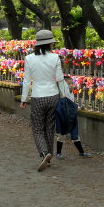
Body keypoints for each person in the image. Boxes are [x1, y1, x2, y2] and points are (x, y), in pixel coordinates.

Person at [20, 29, 66, 172]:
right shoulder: (55, 58)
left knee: (37, 127)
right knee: (49, 127)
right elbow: (60, 79)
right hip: (53, 96)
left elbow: (27, 81)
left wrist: (24, 99)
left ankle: (44, 153)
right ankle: (49, 155)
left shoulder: (29, 58)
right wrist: (66, 97)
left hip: (38, 96)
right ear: (49, 44)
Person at [55, 76, 92, 159]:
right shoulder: (63, 94)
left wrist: (78, 108)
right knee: (61, 135)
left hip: (72, 116)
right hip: (64, 117)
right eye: (69, 84)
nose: (71, 85)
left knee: (75, 135)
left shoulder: (71, 94)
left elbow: (72, 105)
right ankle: (58, 153)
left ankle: (81, 152)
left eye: (72, 83)